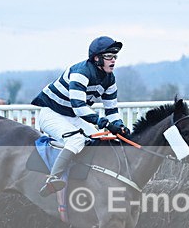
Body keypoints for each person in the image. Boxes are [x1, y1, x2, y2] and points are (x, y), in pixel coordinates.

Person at [31, 36, 130, 196]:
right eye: (109, 57)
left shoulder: (110, 79)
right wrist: (103, 123)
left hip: (71, 116)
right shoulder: (81, 72)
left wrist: (119, 126)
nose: (113, 61)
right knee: (76, 140)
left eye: (115, 57)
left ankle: (89, 178)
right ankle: (53, 178)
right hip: (51, 113)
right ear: (97, 58)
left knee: (99, 139)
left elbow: (111, 110)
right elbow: (79, 107)